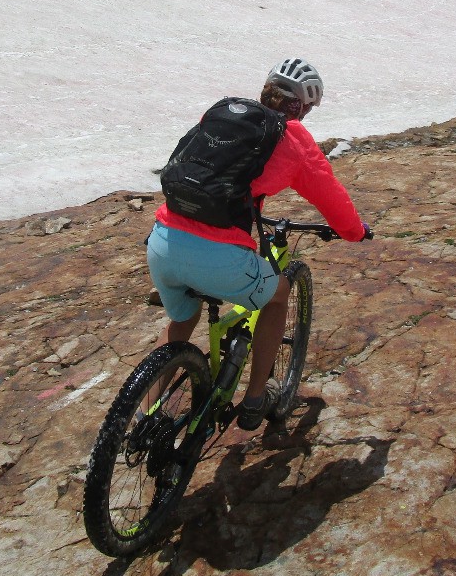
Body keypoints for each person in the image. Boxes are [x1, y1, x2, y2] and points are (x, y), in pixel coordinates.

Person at [146, 58, 371, 430]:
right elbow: (332, 199)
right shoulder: (293, 137)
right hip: (218, 256)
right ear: (302, 106)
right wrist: (355, 231)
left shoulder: (223, 116)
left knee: (182, 318)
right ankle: (254, 401)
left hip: (163, 239)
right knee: (279, 295)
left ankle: (141, 415)